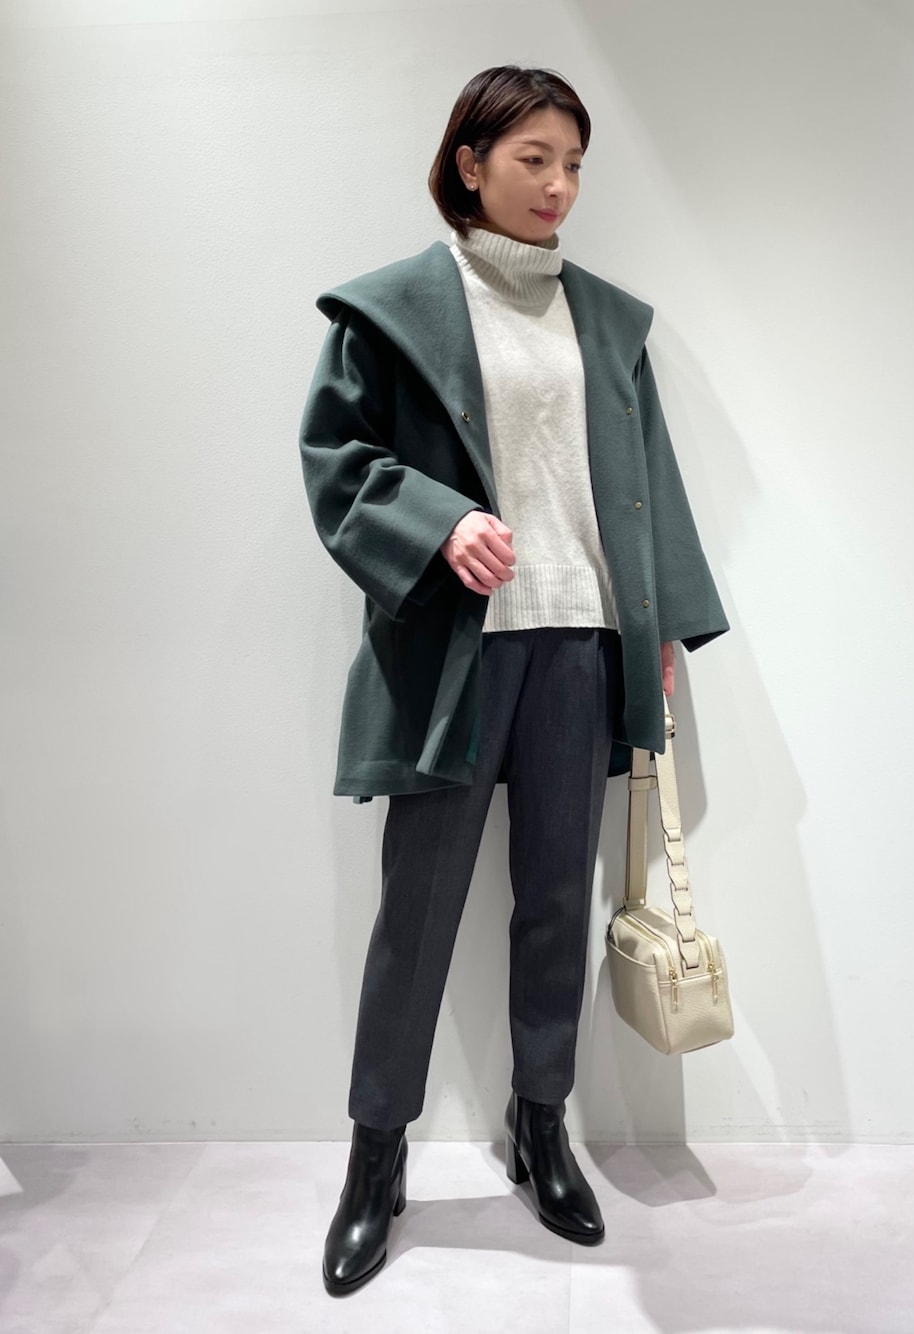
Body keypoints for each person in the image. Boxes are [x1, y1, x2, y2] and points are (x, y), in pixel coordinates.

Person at [298, 64, 729, 1297]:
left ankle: (542, 1127)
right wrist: (438, 522)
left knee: (554, 900)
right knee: (417, 911)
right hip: (456, 652)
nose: (558, 185)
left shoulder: (605, 322)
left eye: (574, 163)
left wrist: (656, 623)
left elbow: (646, 479)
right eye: (534, 157)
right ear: (471, 161)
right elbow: (337, 458)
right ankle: (375, 1157)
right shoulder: (394, 309)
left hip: (580, 643)